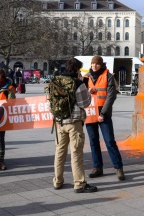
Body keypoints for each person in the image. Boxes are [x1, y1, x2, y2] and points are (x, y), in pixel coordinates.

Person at [53, 58, 98, 193]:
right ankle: (79, 184)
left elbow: (50, 101)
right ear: (78, 69)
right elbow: (84, 103)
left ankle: (58, 181)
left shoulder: (55, 81)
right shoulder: (78, 83)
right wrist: (89, 94)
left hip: (60, 122)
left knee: (59, 153)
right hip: (74, 123)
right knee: (76, 153)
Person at [84, 56, 125, 181]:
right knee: (93, 141)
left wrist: (102, 113)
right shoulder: (86, 77)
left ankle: (118, 168)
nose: (94, 66)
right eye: (92, 64)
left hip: (104, 113)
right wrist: (88, 91)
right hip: (90, 113)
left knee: (110, 142)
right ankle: (97, 167)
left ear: (101, 65)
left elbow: (111, 96)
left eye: (97, 64)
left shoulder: (108, 76)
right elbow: (80, 94)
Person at [0, 67, 16, 170]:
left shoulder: (9, 87)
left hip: (1, 116)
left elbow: (12, 101)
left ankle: (0, 160)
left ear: (2, 76)